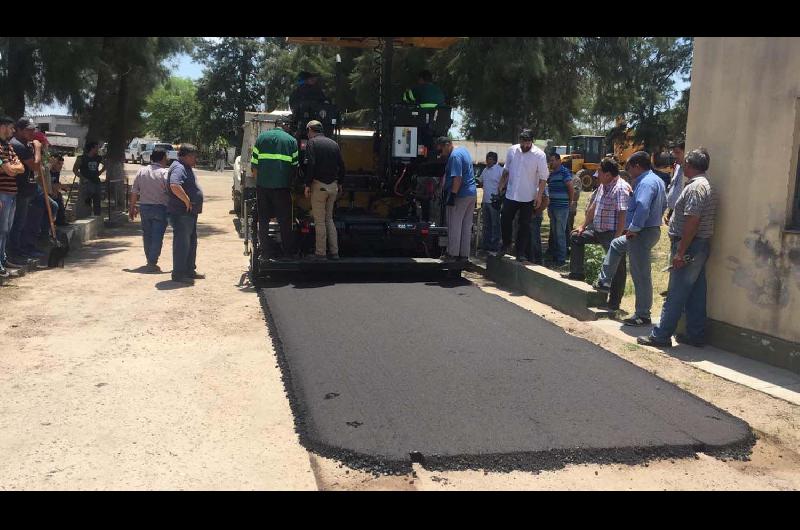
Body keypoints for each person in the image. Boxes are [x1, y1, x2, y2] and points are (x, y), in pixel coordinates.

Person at [638, 148, 715, 347]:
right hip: (699, 245)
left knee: (676, 291)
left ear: (689, 165)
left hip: (689, 246)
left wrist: (681, 251)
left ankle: (661, 335)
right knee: (696, 292)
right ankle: (696, 334)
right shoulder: (705, 185)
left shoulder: (696, 188)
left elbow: (692, 220)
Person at [594, 151, 666, 326]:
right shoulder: (656, 180)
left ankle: (642, 315)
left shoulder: (646, 183)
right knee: (616, 244)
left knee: (640, 275)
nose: (628, 171)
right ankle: (604, 281)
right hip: (649, 229)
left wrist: (634, 228)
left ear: (637, 166)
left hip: (641, 232)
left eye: (629, 167)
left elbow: (642, 206)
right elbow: (663, 204)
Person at [568, 158, 631, 310]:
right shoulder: (603, 186)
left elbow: (623, 214)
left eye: (600, 173)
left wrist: (618, 237)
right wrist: (583, 226)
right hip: (597, 230)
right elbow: (594, 206)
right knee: (576, 237)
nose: (597, 176)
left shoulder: (621, 188)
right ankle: (577, 273)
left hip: (612, 232)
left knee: (617, 266)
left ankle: (614, 302)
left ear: (608, 174)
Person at [498, 129, 549, 262]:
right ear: (519, 141)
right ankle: (505, 244)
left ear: (532, 141)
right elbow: (506, 170)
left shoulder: (539, 155)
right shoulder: (512, 150)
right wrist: (501, 185)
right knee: (505, 219)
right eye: (522, 142)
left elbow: (543, 177)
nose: (525, 146)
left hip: (528, 196)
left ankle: (520, 252)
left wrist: (539, 196)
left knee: (524, 225)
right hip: (511, 194)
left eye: (527, 143)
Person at [252, 119, 299, 263]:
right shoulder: (292, 141)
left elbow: (254, 166)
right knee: (285, 221)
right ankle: (287, 253)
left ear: (275, 125)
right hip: (282, 189)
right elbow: (295, 166)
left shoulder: (261, 138)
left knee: (264, 220)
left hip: (263, 187)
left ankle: (266, 253)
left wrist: (260, 183)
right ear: (286, 126)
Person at [303, 120, 345, 260]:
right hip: (333, 186)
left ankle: (320, 253)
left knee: (319, 221)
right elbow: (342, 166)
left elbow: (311, 165)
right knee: (329, 219)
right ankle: (335, 252)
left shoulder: (312, 143)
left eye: (307, 131)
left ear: (310, 130)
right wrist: (340, 183)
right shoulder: (334, 144)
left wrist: (307, 184)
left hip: (319, 186)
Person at [166, 144, 205, 284]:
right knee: (182, 244)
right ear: (187, 156)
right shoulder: (179, 167)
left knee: (191, 243)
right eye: (194, 156)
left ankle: (189, 270)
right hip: (181, 214)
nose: (196, 159)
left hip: (189, 214)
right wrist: (187, 200)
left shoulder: (185, 167)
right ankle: (179, 274)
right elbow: (174, 185)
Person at [8, 118, 44, 261]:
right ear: (19, 130)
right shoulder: (17, 145)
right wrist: (38, 149)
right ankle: (16, 251)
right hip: (21, 189)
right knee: (19, 222)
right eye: (28, 130)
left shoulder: (25, 144)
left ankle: (30, 245)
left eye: (33, 129)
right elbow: (35, 166)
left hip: (31, 187)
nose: (32, 132)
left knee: (46, 209)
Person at [129, 148, 170, 272]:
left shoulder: (141, 171)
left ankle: (149, 260)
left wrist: (132, 207)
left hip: (145, 207)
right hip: (160, 208)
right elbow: (170, 191)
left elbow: (134, 190)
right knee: (157, 236)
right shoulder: (165, 173)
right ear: (163, 158)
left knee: (147, 235)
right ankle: (152, 261)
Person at [436, 137, 477, 261]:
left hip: (460, 194)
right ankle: (464, 255)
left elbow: (457, 178)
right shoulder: (463, 150)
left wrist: (452, 196)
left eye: (441, 150)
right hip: (471, 194)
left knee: (454, 225)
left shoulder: (454, 157)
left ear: (448, 145)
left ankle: (452, 253)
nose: (441, 154)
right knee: (466, 226)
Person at [0, 116, 26, 277]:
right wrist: (11, 167)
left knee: (6, 230)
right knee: (1, 229)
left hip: (11, 193)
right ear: (2, 126)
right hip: (2, 193)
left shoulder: (8, 146)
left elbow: (21, 167)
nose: (12, 131)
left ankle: (3, 259)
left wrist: (11, 167)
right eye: (10, 127)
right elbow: (9, 170)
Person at [545, 151, 575, 266]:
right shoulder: (552, 174)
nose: (551, 162)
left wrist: (570, 202)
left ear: (559, 160)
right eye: (550, 160)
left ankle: (561, 258)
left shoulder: (564, 172)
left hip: (562, 207)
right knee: (555, 232)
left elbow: (570, 187)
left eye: (553, 160)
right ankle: (556, 255)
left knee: (560, 232)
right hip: (552, 206)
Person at [73, 141, 105, 216]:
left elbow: (106, 164)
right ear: (92, 148)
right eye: (96, 147)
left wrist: (100, 172)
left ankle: (97, 217)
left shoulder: (98, 158)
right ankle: (85, 216)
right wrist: (82, 178)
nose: (98, 149)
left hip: (96, 182)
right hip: (86, 183)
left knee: (97, 201)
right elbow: (75, 169)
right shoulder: (81, 158)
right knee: (86, 201)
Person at [479, 152, 502, 254]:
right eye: (487, 159)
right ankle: (486, 245)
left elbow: (504, 184)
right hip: (485, 201)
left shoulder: (500, 170)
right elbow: (480, 181)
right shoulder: (485, 170)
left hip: (494, 202)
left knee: (495, 224)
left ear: (495, 160)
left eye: (490, 159)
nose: (488, 161)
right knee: (486, 225)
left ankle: (495, 245)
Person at [664, 142, 686, 225]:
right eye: (674, 152)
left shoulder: (689, 171)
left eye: (677, 152)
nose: (674, 155)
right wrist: (670, 213)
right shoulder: (677, 167)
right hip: (673, 212)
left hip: (681, 214)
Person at [529, 185, 550, 264]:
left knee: (535, 238)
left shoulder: (542, 185)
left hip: (535, 216)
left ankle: (538, 259)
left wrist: (537, 212)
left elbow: (546, 200)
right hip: (526, 215)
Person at [48, 155, 68, 226]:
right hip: (47, 193)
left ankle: (60, 220)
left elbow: (56, 183)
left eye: (62, 164)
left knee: (59, 197)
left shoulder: (57, 172)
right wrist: (61, 186)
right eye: (59, 164)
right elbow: (50, 184)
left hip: (54, 192)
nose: (61, 166)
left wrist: (62, 187)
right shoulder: (49, 171)